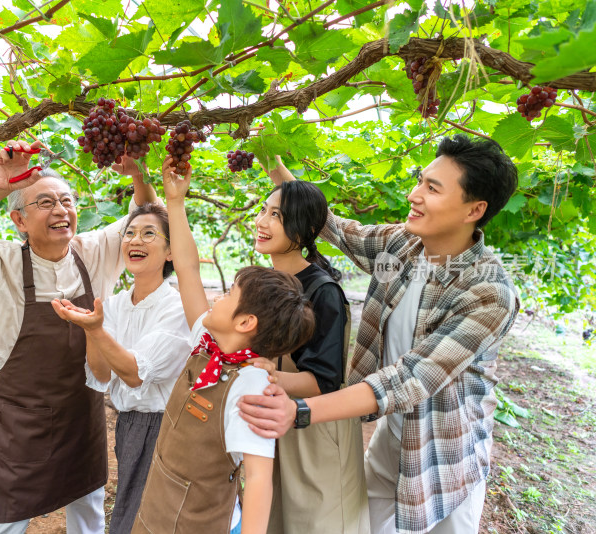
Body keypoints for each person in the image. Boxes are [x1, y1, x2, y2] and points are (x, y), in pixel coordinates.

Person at [238, 135, 521, 534]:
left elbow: (410, 378)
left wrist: (299, 411)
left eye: (432, 188)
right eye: (420, 181)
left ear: (474, 209)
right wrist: (269, 156)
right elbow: (331, 226)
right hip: (389, 440)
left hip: (442, 461)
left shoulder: (488, 293)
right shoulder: (402, 246)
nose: (414, 194)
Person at [0, 139, 156, 534]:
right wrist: (0, 185)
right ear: (18, 220)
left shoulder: (91, 252)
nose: (61, 210)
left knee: (89, 512)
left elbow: (148, 217)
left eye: (67, 201)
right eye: (45, 203)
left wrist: (139, 174)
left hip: (82, 417)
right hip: (21, 425)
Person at [130, 156, 316, 534]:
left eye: (229, 294)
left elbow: (259, 478)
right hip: (156, 514)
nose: (217, 298)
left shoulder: (249, 384)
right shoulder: (208, 343)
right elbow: (187, 269)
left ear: (246, 322)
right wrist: (175, 202)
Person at [51, 202, 191, 534]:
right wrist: (90, 328)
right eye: (129, 233)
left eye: (148, 234)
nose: (134, 241)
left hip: (167, 429)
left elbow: (135, 373)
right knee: (132, 513)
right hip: (129, 427)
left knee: (151, 521)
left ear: (171, 251)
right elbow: (101, 374)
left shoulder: (177, 307)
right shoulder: (112, 305)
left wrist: (96, 330)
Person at [250, 179, 369, 534]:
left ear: (304, 231)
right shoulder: (265, 281)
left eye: (277, 216)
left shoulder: (323, 291)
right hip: (275, 423)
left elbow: (324, 380)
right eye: (263, 210)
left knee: (316, 522)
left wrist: (266, 374)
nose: (262, 221)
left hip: (314, 430)